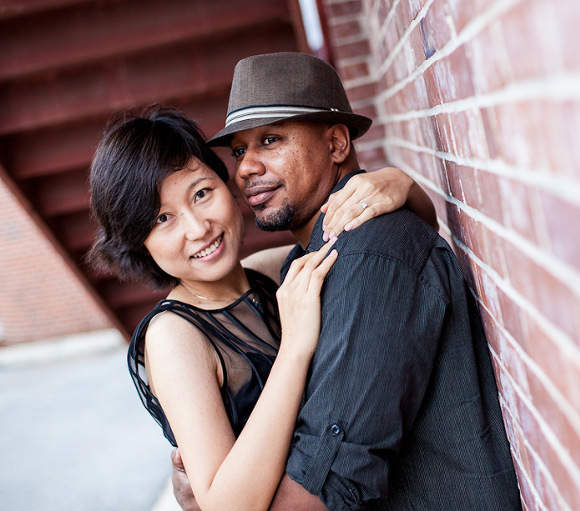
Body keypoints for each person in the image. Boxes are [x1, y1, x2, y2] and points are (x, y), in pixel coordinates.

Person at [175, 52, 522, 510]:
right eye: (239, 150)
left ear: (337, 144)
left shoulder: (370, 257)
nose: (245, 168)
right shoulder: (308, 260)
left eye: (271, 140)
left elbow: (326, 487)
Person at [86, 106, 437, 511]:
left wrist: (399, 183)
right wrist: (295, 348)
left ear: (227, 186)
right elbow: (227, 506)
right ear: (138, 241)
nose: (198, 228)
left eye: (202, 194)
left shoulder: (272, 273)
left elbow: (406, 246)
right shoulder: (173, 337)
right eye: (163, 218)